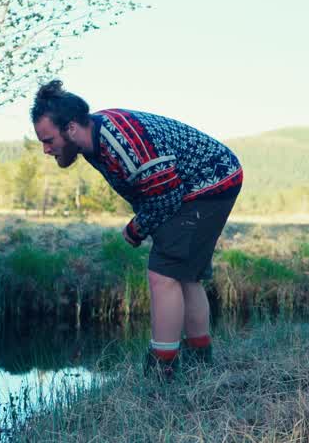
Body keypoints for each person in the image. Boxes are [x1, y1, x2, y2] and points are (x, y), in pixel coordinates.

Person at [30, 80, 242, 377]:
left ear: (72, 129)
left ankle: (162, 369)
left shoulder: (120, 145)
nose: (45, 149)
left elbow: (167, 196)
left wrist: (136, 227)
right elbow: (149, 188)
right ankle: (200, 359)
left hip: (209, 184)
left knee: (163, 275)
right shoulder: (93, 137)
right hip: (203, 182)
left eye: (48, 140)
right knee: (186, 275)